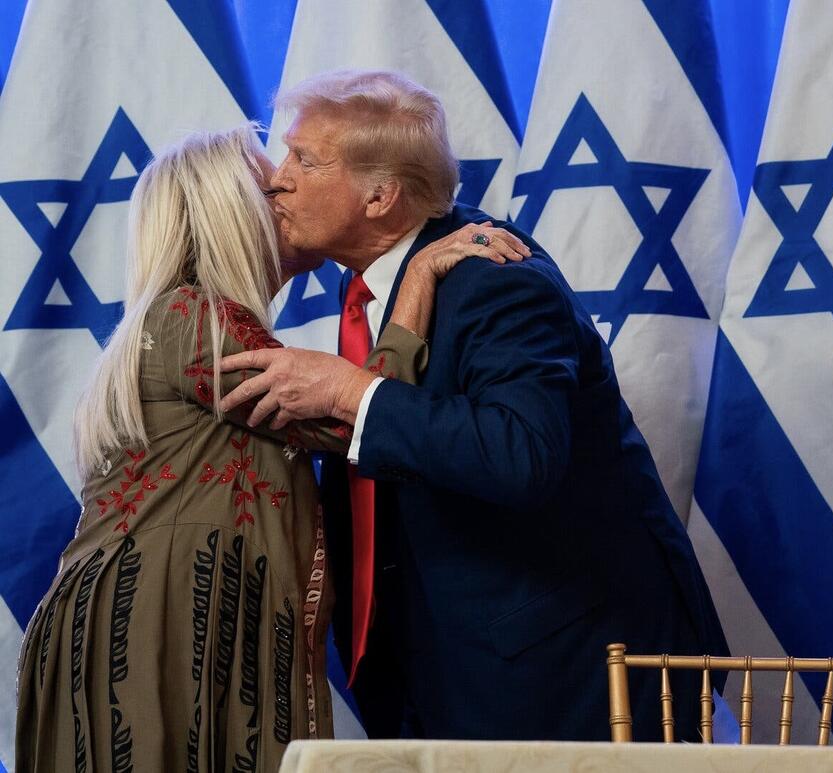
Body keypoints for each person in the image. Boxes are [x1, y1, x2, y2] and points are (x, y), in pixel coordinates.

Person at [218, 69, 729, 741]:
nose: (277, 180)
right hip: (438, 666)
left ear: (380, 197)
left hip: (565, 675)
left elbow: (521, 452)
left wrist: (348, 391)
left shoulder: (494, 275)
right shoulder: (375, 282)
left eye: (303, 160)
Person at [15, 125, 521, 772]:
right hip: (152, 634)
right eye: (272, 187)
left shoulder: (191, 321)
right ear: (227, 214)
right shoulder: (194, 317)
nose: (289, 190)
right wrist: (419, 274)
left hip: (176, 623)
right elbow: (357, 416)